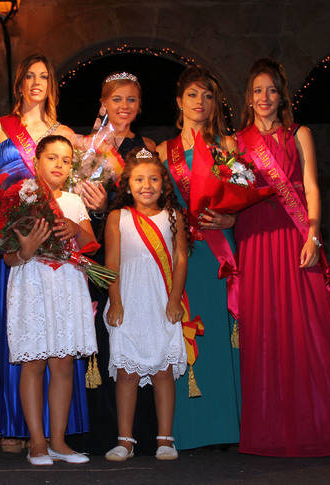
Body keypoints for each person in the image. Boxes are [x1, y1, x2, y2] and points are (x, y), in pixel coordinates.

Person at [234, 58, 330, 456]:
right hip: (255, 237)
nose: (264, 98)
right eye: (257, 90)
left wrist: (313, 234)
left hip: (294, 236)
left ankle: (321, 427)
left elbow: (310, 186)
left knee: (310, 325)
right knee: (264, 329)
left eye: (271, 89)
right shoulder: (237, 142)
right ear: (248, 96)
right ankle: (270, 432)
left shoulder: (299, 134)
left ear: (282, 95)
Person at [0, 54, 88, 452]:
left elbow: (80, 192)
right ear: (19, 83)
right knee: (22, 338)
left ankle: (53, 435)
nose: (37, 82)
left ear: (53, 84)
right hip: (17, 239)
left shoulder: (66, 134)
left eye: (44, 76)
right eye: (30, 76)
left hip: (57, 249)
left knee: (56, 341)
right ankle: (14, 423)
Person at [155, 66, 242, 451]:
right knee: (187, 333)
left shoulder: (231, 145)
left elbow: (245, 197)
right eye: (193, 94)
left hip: (222, 250)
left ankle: (231, 426)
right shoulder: (163, 151)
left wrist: (232, 217)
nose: (200, 103)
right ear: (179, 101)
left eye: (208, 96)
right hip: (183, 255)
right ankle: (189, 429)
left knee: (225, 335)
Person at [3, 135, 97, 465]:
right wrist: (26, 251)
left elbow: (90, 242)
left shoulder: (73, 200)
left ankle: (58, 441)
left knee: (63, 365)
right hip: (32, 283)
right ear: (37, 161)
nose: (59, 164)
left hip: (67, 286)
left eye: (66, 160)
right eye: (52, 157)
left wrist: (75, 228)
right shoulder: (20, 199)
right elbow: (8, 258)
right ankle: (37, 442)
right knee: (34, 363)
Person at [83, 72, 159, 456]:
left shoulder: (146, 147)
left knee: (136, 328)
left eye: (131, 100)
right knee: (101, 333)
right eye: (117, 100)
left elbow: (153, 197)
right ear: (104, 104)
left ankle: (141, 430)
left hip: (136, 249)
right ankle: (103, 429)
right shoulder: (90, 145)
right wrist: (94, 209)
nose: (124, 107)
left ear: (139, 106)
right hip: (98, 249)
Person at [102, 147, 189, 462]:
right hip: (128, 301)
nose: (146, 185)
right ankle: (125, 440)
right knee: (127, 373)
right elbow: (111, 263)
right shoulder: (117, 218)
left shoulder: (173, 216)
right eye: (139, 179)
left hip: (162, 301)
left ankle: (165, 438)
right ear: (127, 185)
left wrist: (175, 299)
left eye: (153, 178)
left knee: (164, 371)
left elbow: (180, 260)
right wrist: (115, 302)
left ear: (164, 184)